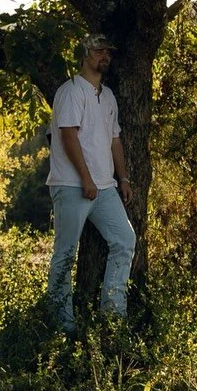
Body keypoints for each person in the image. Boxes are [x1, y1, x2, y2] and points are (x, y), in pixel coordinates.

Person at [46, 33, 136, 333]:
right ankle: (63, 328)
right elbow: (68, 136)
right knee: (65, 253)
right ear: (84, 53)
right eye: (99, 50)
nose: (105, 56)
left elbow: (114, 139)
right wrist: (85, 179)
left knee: (124, 240)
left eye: (108, 51)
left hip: (105, 186)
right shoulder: (71, 92)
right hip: (72, 185)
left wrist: (122, 178)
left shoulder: (107, 96)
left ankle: (112, 318)